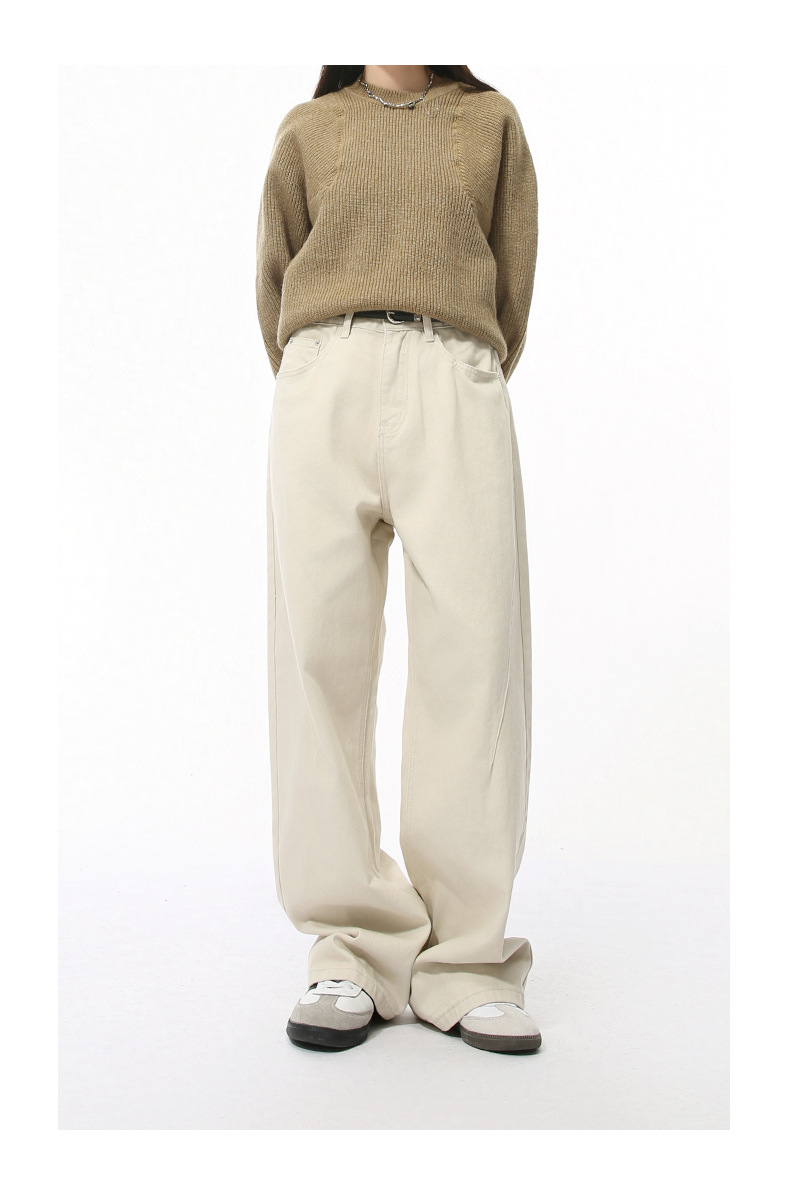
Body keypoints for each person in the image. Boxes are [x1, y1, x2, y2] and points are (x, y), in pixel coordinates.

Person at [256, 65, 540, 1054]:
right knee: (317, 661)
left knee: (476, 659)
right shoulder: (308, 127)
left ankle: (465, 959)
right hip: (322, 375)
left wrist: (458, 367)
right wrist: (318, 369)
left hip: (454, 371)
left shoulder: (490, 122)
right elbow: (274, 275)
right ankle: (351, 945)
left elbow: (511, 279)